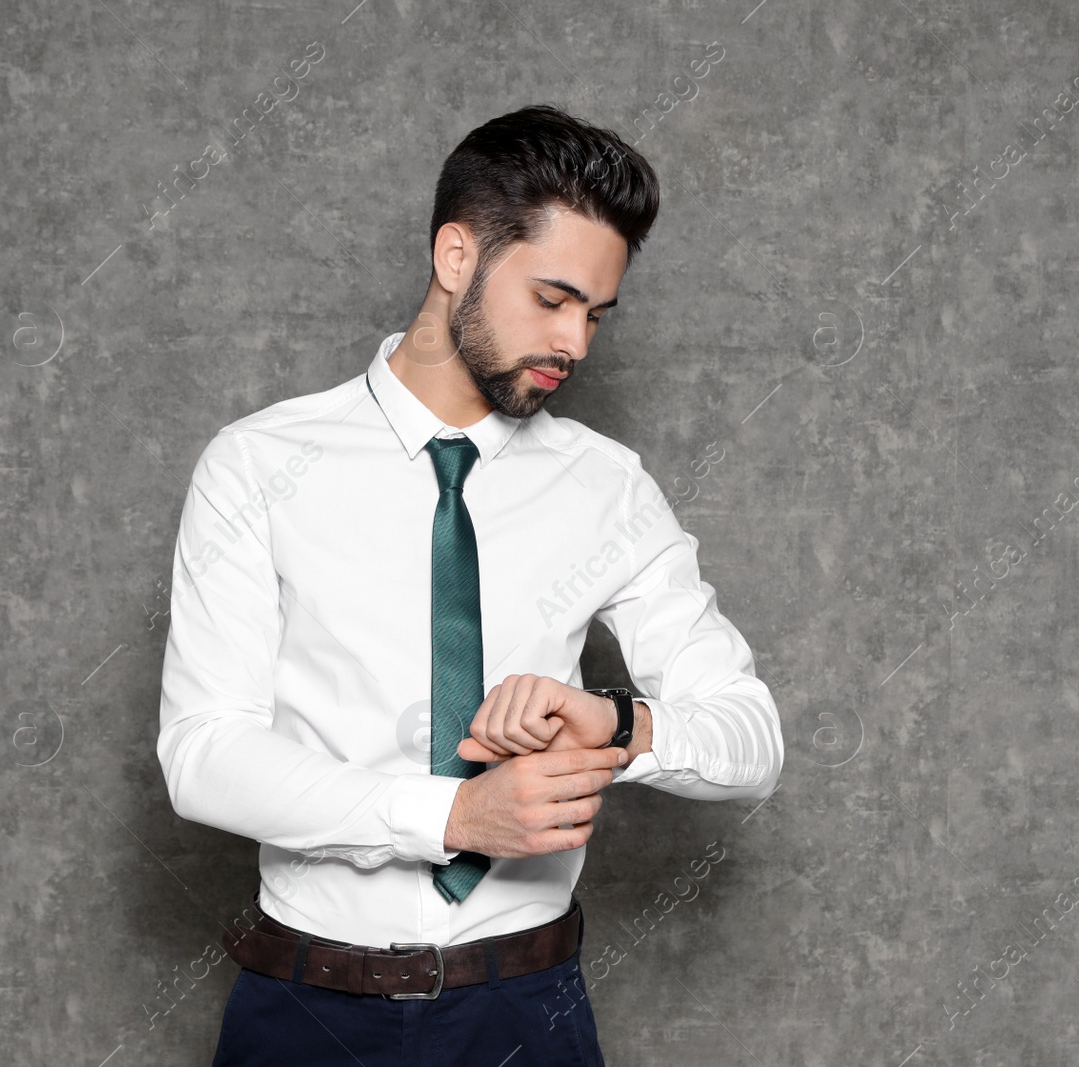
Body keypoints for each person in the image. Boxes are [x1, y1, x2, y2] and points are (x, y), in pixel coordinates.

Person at [157, 102, 783, 1067]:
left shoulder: (608, 486)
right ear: (458, 256)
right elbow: (204, 754)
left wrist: (616, 724)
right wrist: (450, 816)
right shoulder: (259, 464)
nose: (575, 342)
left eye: (596, 315)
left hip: (526, 1013)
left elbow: (751, 737)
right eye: (554, 297)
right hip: (307, 1012)